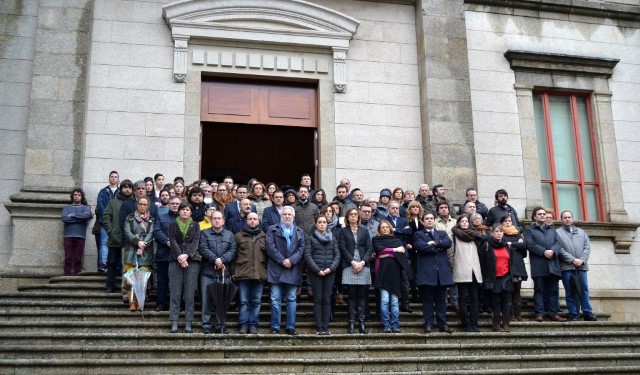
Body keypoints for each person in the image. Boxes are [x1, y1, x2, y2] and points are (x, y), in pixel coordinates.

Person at [265, 206, 305, 335]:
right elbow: (270, 247)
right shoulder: (272, 229)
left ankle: (290, 327)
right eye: (285, 214)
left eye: (289, 214)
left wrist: (291, 260)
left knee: (292, 299)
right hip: (276, 269)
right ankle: (275, 326)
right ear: (280, 216)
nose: (287, 216)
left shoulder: (299, 231)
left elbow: (301, 249)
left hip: (292, 269)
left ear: (293, 217)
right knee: (275, 299)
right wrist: (283, 260)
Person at [413, 212, 454, 333]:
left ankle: (443, 324)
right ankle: (429, 323)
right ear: (423, 221)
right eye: (427, 219)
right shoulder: (418, 234)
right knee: (427, 300)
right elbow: (420, 247)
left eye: (431, 218)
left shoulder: (441, 233)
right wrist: (438, 248)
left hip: (441, 273)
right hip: (426, 273)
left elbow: (448, 243)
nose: (429, 220)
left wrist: (434, 243)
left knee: (441, 300)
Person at [199, 211, 237, 334]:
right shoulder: (204, 233)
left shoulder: (230, 235)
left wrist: (222, 260)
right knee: (206, 299)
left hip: (223, 272)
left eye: (219, 218)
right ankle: (206, 324)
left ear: (223, 221)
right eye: (214, 218)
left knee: (222, 299)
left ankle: (220, 324)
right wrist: (215, 259)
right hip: (207, 272)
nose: (216, 220)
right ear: (211, 220)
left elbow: (233, 250)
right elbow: (203, 248)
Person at [524, 206, 565, 322]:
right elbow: (529, 244)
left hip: (552, 264)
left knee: (553, 291)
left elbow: (559, 243)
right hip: (539, 265)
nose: (543, 215)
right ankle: (539, 313)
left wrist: (553, 251)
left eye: (544, 214)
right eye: (540, 214)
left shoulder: (552, 230)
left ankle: (553, 314)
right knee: (539, 290)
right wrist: (544, 252)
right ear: (535, 216)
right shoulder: (529, 230)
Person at [557, 210, 597, 321]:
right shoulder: (557, 233)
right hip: (567, 267)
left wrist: (581, 260)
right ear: (561, 219)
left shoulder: (581, 232)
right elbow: (559, 249)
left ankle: (587, 312)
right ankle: (573, 314)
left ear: (572, 218)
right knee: (570, 291)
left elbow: (587, 247)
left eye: (569, 217)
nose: (567, 219)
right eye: (565, 217)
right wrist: (572, 260)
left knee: (584, 289)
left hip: (581, 267)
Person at [372, 220, 412, 333]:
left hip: (395, 272)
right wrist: (394, 250)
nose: (385, 229)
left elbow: (402, 251)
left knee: (394, 301)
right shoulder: (376, 239)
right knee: (384, 300)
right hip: (382, 272)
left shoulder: (396, 239)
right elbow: (379, 250)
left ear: (390, 228)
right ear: (379, 230)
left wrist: (386, 254)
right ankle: (386, 324)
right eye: (382, 227)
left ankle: (395, 324)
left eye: (386, 227)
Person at [337, 207, 373, 334]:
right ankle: (351, 323)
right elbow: (342, 247)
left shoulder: (364, 231)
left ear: (358, 217)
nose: (353, 216)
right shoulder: (343, 231)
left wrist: (362, 262)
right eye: (351, 214)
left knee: (362, 296)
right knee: (352, 296)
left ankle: (361, 323)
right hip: (349, 265)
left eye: (355, 214)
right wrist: (353, 262)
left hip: (363, 265)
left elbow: (370, 248)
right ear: (347, 217)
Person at [168, 200, 201, 333]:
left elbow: (196, 241)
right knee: (175, 293)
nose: (185, 212)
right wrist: (179, 257)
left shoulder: (196, 225)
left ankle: (188, 322)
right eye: (183, 209)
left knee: (189, 293)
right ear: (179, 211)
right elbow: (172, 240)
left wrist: (186, 255)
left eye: (187, 210)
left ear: (191, 212)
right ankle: (174, 321)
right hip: (175, 260)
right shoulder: (172, 225)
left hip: (192, 261)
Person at [305, 215, 341, 335]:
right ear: (316, 224)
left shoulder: (333, 239)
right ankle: (319, 327)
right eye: (319, 222)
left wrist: (330, 269)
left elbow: (337, 255)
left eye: (324, 222)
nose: (322, 224)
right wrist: (317, 270)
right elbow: (308, 256)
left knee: (327, 299)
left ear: (327, 224)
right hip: (316, 273)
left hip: (330, 273)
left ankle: (326, 326)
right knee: (318, 299)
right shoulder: (310, 238)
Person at [233, 212, 267, 334]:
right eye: (250, 219)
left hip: (259, 274)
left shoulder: (264, 237)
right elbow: (233, 257)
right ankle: (243, 324)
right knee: (243, 301)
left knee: (256, 301)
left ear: (258, 221)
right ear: (246, 221)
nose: (252, 221)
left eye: (255, 219)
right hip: (243, 274)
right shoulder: (238, 236)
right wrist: (233, 272)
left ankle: (253, 325)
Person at [479, 224, 515, 332]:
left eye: (500, 231)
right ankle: (496, 324)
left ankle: (506, 323)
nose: (499, 233)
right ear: (492, 232)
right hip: (493, 278)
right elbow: (481, 262)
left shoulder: (507, 245)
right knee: (496, 302)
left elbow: (510, 261)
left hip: (506, 277)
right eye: (496, 231)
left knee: (506, 301)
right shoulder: (487, 245)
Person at [451, 215, 484, 332]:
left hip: (474, 271)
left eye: (466, 221)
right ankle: (466, 323)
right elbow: (451, 253)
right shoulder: (455, 235)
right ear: (459, 223)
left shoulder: (475, 235)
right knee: (463, 298)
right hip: (461, 270)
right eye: (462, 221)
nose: (464, 223)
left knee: (475, 298)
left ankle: (474, 323)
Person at [122, 197, 155, 312]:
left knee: (142, 279)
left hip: (145, 253)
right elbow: (127, 232)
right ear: (137, 204)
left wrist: (143, 244)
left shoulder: (151, 219)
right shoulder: (130, 218)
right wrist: (137, 242)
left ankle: (140, 301)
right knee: (130, 279)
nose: (142, 206)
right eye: (140, 204)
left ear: (148, 206)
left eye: (145, 204)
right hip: (131, 251)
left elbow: (151, 234)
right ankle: (132, 302)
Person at [103, 179, 134, 293]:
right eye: (125, 187)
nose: (127, 189)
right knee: (112, 263)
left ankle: (127, 288)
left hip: (129, 240)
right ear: (121, 189)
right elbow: (106, 217)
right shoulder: (113, 202)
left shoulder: (135, 203)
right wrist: (111, 231)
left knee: (128, 264)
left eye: (129, 187)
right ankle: (110, 285)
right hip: (115, 238)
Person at [153, 195, 181, 312]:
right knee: (162, 281)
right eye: (172, 203)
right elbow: (157, 231)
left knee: (177, 282)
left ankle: (177, 304)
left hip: (179, 256)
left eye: (177, 204)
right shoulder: (161, 217)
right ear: (168, 205)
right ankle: (161, 303)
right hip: (163, 254)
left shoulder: (184, 218)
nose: (175, 205)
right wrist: (167, 241)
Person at [500, 214, 528, 321]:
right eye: (506, 221)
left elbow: (524, 246)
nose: (508, 223)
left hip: (517, 265)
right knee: (508, 291)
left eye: (510, 221)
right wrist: (516, 244)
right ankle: (510, 315)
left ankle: (518, 314)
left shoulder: (517, 234)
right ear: (502, 222)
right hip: (506, 265)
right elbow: (502, 245)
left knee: (517, 291)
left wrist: (511, 244)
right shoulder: (501, 233)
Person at [61, 189, 92, 276]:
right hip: (68, 236)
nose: (77, 196)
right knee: (68, 258)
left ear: (82, 197)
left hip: (80, 236)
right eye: (75, 195)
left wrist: (73, 215)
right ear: (72, 196)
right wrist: (80, 220)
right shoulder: (67, 208)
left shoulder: (86, 208)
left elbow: (86, 216)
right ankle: (66, 275)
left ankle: (77, 276)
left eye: (79, 195)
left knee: (78, 258)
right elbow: (64, 218)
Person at [96, 171, 119, 272]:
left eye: (115, 177)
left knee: (117, 243)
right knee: (104, 243)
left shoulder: (120, 192)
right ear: (109, 178)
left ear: (118, 179)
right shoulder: (103, 191)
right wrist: (108, 214)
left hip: (117, 223)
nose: (114, 178)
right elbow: (100, 204)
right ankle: (103, 263)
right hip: (105, 221)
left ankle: (117, 265)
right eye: (112, 177)